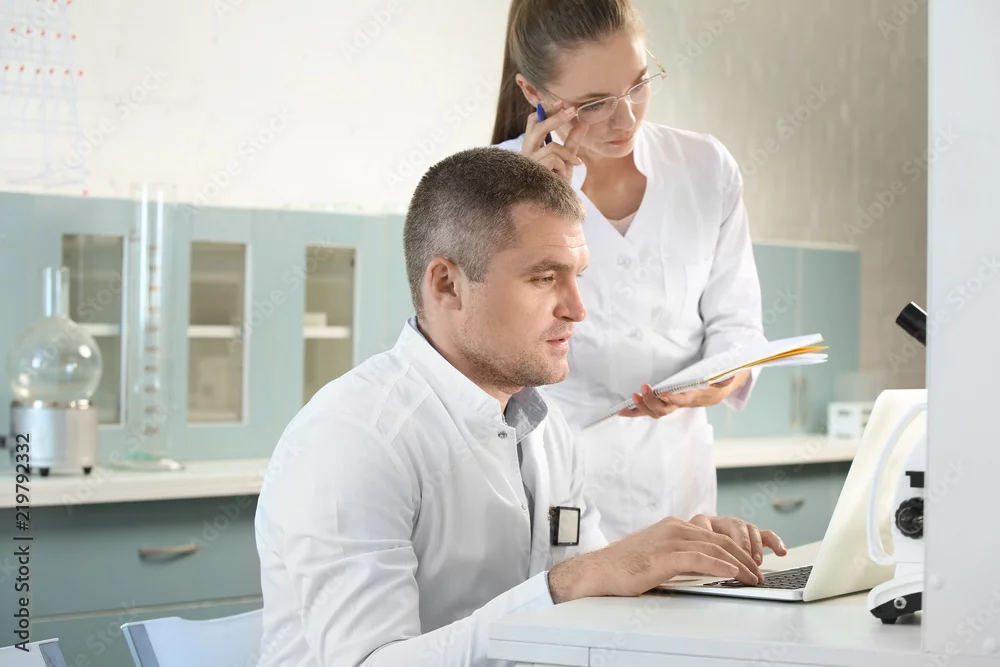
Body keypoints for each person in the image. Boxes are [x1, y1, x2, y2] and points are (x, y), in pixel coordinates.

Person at [253, 147, 786, 667]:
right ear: (447, 285)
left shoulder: (545, 429)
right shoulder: (353, 439)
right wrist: (567, 584)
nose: (577, 309)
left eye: (578, 275)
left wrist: (678, 564)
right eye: (545, 278)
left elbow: (590, 597)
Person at [491, 0, 769, 542]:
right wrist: (529, 209)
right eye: (594, 103)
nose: (626, 119)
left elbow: (738, 325)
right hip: (553, 485)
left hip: (677, 483)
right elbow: (480, 357)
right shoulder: (494, 183)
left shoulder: (704, 168)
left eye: (639, 84)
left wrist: (716, 382)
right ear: (533, 93)